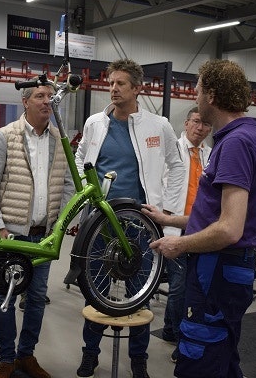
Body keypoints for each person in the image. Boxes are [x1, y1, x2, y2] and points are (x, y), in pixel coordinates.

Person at [143, 59, 256, 378]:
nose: (195, 97)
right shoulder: (252, 137)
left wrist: (181, 245)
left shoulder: (235, 143)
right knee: (223, 358)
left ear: (212, 96)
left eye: (198, 90)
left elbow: (229, 229)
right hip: (229, 267)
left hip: (217, 268)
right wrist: (169, 219)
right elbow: (216, 216)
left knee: (199, 359)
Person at [74, 58, 185, 378]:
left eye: (120, 83)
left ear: (138, 88)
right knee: (94, 290)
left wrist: (168, 212)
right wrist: (87, 196)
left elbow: (177, 167)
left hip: (141, 223)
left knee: (141, 292)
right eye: (110, 83)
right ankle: (90, 353)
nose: (113, 88)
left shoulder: (158, 125)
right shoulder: (96, 123)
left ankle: (139, 360)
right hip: (100, 223)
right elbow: (82, 161)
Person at [0, 78, 74, 378]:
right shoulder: (3, 136)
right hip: (12, 234)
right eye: (40, 96)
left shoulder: (61, 140)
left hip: (44, 235)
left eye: (50, 96)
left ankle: (26, 355)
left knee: (36, 297)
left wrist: (61, 223)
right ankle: (6, 358)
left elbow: (70, 183)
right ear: (26, 101)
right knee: (5, 297)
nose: (48, 101)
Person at [162, 107, 212, 363]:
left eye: (205, 124)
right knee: (180, 286)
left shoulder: (211, 155)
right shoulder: (172, 150)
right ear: (186, 123)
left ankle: (171, 329)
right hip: (174, 226)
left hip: (200, 229)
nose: (200, 127)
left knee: (193, 285)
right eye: (196, 122)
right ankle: (179, 338)